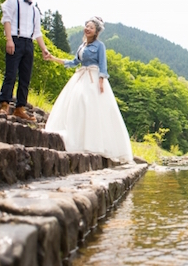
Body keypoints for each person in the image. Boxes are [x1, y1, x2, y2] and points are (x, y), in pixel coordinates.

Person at [45, 17, 134, 163]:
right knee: (77, 104)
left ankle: (95, 143)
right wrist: (53, 58)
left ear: (96, 31)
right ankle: (78, 139)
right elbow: (74, 62)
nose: (87, 29)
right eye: (86, 26)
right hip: (81, 77)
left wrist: (101, 81)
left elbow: (103, 65)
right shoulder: (82, 46)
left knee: (93, 108)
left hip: (93, 78)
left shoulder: (100, 46)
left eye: (91, 27)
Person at [0, 0, 51, 121]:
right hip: (15, 39)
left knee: (25, 77)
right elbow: (6, 20)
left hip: (29, 43)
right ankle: (4, 104)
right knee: (11, 74)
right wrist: (9, 39)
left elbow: (37, 32)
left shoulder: (35, 9)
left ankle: (20, 108)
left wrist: (43, 49)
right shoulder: (13, 1)